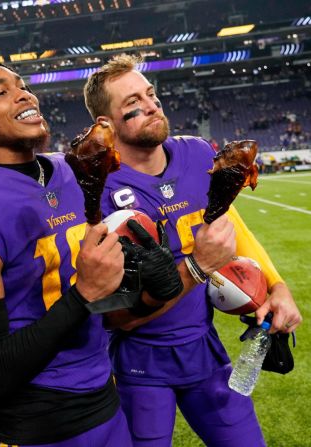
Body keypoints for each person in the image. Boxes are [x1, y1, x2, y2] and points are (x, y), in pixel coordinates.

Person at [0, 61, 180, 446]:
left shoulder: (70, 170)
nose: (23, 94)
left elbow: (97, 306)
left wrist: (149, 293)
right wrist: (85, 293)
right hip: (39, 425)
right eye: (0, 91)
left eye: (22, 85)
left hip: (106, 401)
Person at [83, 54, 302, 446]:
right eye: (133, 104)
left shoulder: (198, 152)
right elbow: (117, 317)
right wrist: (198, 266)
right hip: (139, 363)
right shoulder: (100, 187)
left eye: (151, 94)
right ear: (106, 124)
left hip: (204, 349)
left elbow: (230, 225)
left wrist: (277, 286)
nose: (151, 105)